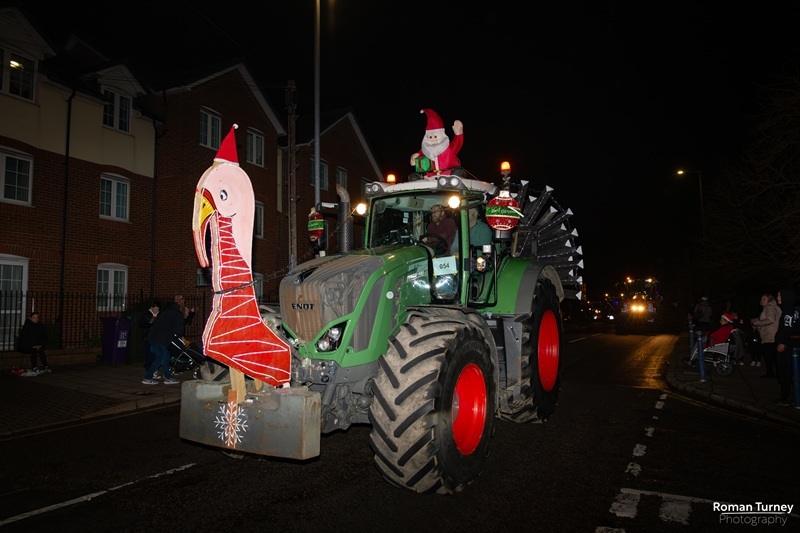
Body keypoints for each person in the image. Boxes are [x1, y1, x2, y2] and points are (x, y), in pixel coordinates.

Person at [409, 108, 464, 179]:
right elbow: (418, 155)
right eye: (430, 137)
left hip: (449, 175)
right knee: (414, 177)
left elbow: (457, 143)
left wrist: (458, 133)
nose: (433, 139)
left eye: (435, 136)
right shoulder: (426, 150)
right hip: (431, 177)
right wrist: (413, 158)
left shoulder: (448, 148)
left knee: (459, 172)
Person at [143, 297, 186, 385]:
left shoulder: (167, 312)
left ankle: (168, 377)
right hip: (161, 338)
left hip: (154, 336)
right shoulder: (179, 315)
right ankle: (148, 377)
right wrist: (180, 337)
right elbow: (179, 331)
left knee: (165, 357)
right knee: (161, 357)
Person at [774, 287, 799, 407]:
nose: (778, 298)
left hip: (787, 347)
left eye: (779, 296)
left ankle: (785, 397)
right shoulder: (792, 310)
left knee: (786, 372)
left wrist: (782, 342)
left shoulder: (788, 311)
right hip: (791, 345)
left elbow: (787, 328)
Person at [751, 292, 780, 378]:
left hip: (770, 334)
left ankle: (770, 373)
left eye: (764, 299)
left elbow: (771, 319)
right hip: (772, 334)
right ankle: (773, 373)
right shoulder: (772, 307)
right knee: (772, 356)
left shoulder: (769, 307)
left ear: (769, 300)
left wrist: (758, 323)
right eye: (761, 299)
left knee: (769, 355)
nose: (762, 300)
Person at [18, 312, 50, 376]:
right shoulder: (27, 326)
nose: (36, 319)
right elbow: (25, 338)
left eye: (37, 317)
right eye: (34, 318)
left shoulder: (40, 326)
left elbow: (44, 336)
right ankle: (34, 366)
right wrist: (32, 345)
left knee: (40, 350)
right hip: (26, 346)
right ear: (30, 318)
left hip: (37, 345)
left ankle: (46, 366)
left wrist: (40, 344)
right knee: (34, 350)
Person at [138, 302, 159, 370]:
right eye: (155, 309)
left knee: (154, 352)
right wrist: (150, 324)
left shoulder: (159, 315)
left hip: (156, 335)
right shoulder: (146, 315)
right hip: (148, 335)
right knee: (149, 351)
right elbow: (141, 325)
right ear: (152, 308)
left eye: (158, 309)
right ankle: (149, 366)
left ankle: (151, 365)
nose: (157, 311)